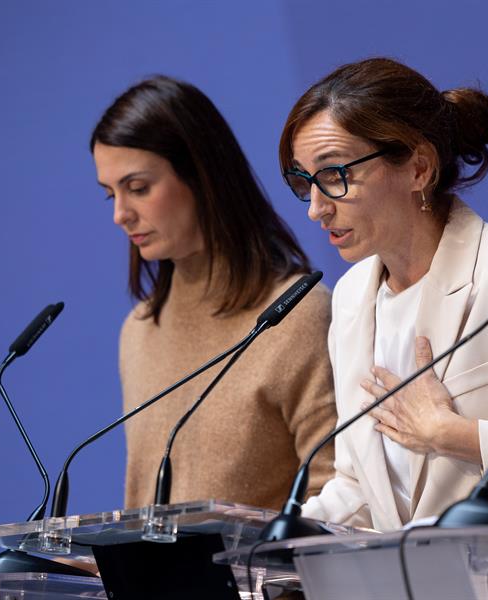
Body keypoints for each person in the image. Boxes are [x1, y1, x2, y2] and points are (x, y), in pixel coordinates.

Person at [277, 57, 488, 532]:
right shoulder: (350, 298)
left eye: (334, 176)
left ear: (419, 168)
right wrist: (269, 537)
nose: (315, 209)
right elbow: (363, 487)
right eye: (302, 182)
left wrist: (453, 435)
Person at [91, 76, 337, 511]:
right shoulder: (140, 330)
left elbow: (338, 496)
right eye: (110, 194)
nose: (120, 215)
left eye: (138, 188)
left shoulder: (297, 315)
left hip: (266, 579)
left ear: (203, 176)